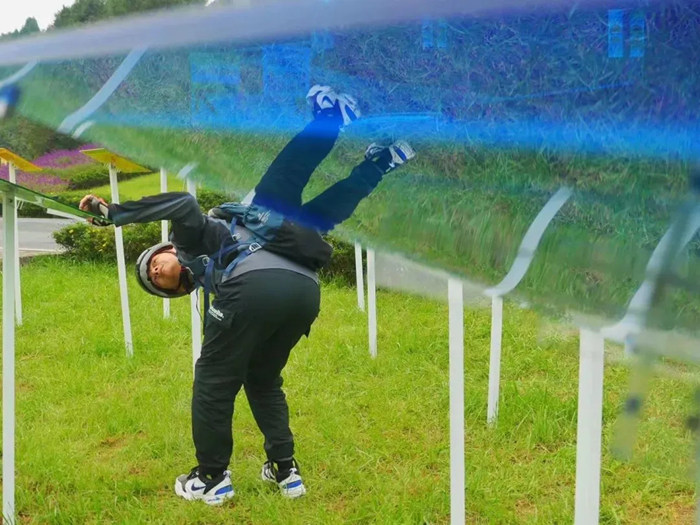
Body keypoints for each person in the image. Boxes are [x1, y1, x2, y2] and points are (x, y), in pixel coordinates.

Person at [79, 85, 415, 505]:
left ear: (165, 249)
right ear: (177, 290)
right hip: (299, 289)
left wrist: (115, 214)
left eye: (152, 264)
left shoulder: (191, 240)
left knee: (218, 379)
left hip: (279, 278)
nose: (156, 272)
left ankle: (223, 476)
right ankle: (270, 471)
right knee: (256, 378)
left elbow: (183, 203)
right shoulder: (210, 280)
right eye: (155, 281)